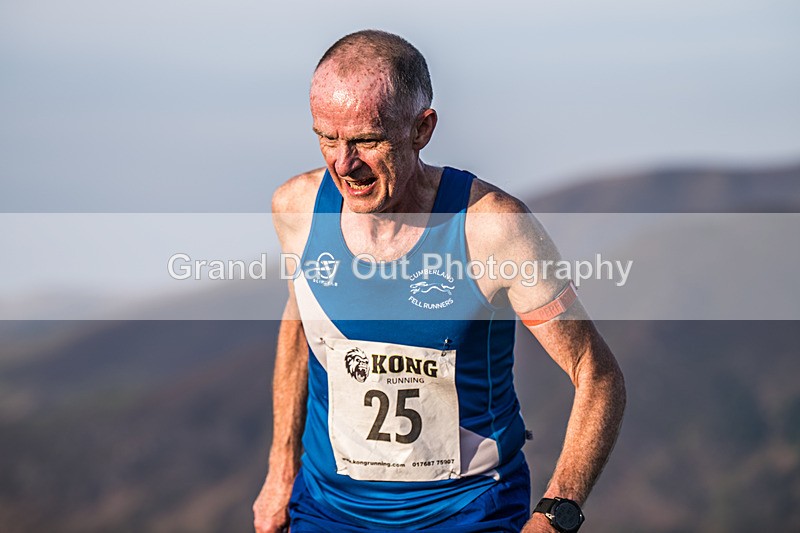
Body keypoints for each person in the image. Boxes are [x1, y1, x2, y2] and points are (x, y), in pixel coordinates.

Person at [253, 30, 625, 533]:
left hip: (468, 515)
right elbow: (301, 324)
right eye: (327, 137)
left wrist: (554, 516)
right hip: (328, 513)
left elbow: (596, 373)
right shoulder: (296, 210)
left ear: (422, 129)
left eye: (366, 140)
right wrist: (280, 474)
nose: (345, 164)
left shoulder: (492, 228)